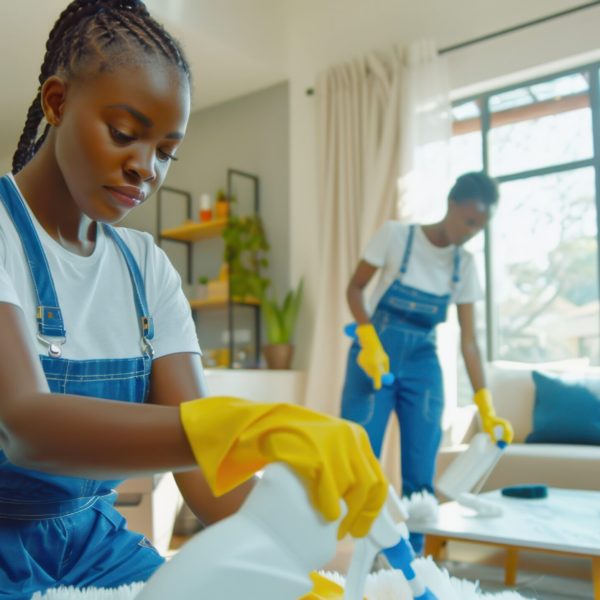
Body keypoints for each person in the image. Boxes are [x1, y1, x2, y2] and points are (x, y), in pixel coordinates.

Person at [0, 1, 387, 597]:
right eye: (125, 134)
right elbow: (26, 426)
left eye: (165, 152)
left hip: (95, 544)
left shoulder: (145, 269)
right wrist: (246, 425)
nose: (145, 169)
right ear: (55, 102)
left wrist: (303, 547)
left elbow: (207, 482)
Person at [340, 172, 513, 553]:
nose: (472, 232)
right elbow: (355, 287)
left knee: (420, 467)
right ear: (451, 205)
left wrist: (485, 403)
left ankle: (413, 560)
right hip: (374, 357)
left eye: (480, 226)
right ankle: (363, 553)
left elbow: (469, 341)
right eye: (469, 221)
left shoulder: (464, 265)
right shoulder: (396, 236)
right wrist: (367, 338)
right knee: (358, 456)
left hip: (423, 360)